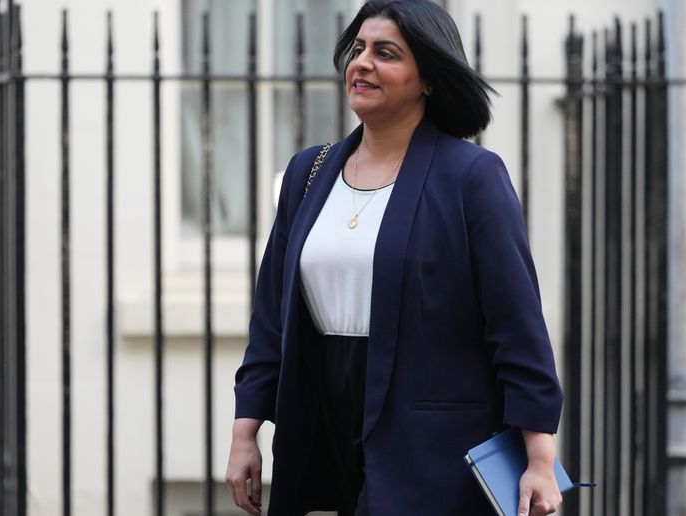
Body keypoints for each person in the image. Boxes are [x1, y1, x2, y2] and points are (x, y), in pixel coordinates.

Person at [226, 1, 564, 514]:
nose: (362, 63)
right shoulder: (307, 172)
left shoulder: (471, 177)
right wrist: (244, 430)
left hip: (431, 441)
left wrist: (539, 457)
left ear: (427, 79)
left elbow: (516, 324)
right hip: (322, 419)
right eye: (358, 49)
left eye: (386, 53)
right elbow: (272, 315)